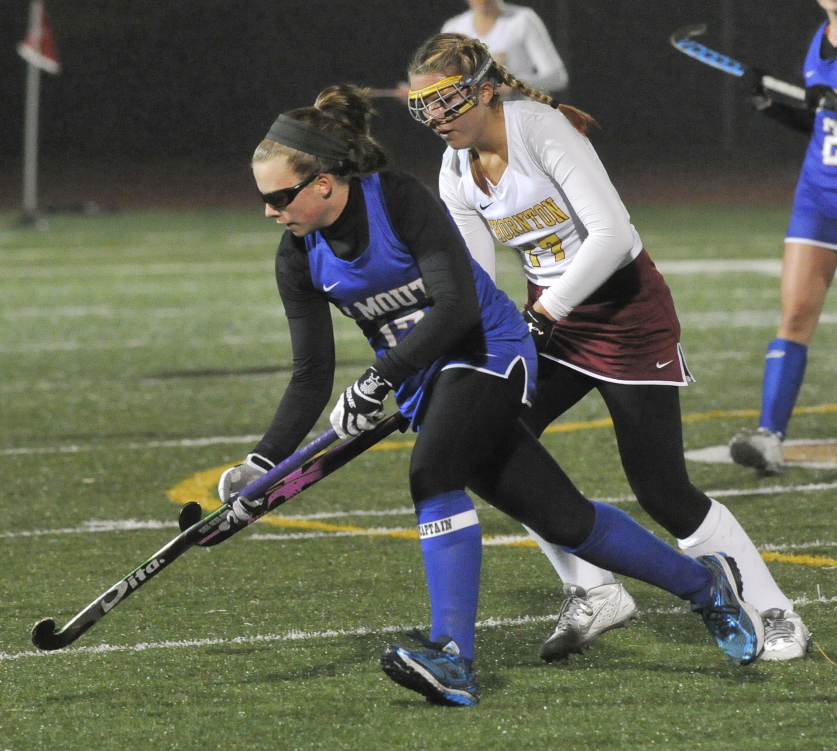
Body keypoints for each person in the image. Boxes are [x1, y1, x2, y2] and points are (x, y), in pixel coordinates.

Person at [220, 83, 764, 708]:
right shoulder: (298, 256)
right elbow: (310, 372)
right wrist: (263, 464)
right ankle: (706, 587)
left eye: (279, 196)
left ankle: (451, 656)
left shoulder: (396, 200)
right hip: (431, 382)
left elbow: (455, 309)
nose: (269, 211)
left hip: (489, 351)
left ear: (322, 182)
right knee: (565, 520)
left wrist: (379, 379)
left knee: (432, 473)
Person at [404, 32, 811, 665]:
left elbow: (613, 236)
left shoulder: (541, 129)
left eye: (447, 103)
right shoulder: (455, 168)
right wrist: (448, 351)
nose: (436, 120)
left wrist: (545, 311)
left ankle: (774, 608)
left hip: (626, 315)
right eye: (425, 108)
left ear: (485, 91)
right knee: (486, 441)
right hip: (553, 322)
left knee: (662, 489)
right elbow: (475, 284)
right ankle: (592, 588)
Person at [728, 0, 837, 480]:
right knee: (794, 316)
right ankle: (769, 438)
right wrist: (773, 107)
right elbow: (822, 122)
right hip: (818, 199)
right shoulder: (821, 37)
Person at [441, 0, 568, 96]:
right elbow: (442, 81)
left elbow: (557, 78)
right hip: (474, 120)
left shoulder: (522, 20)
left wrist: (516, 85)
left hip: (517, 116)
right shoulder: (453, 28)